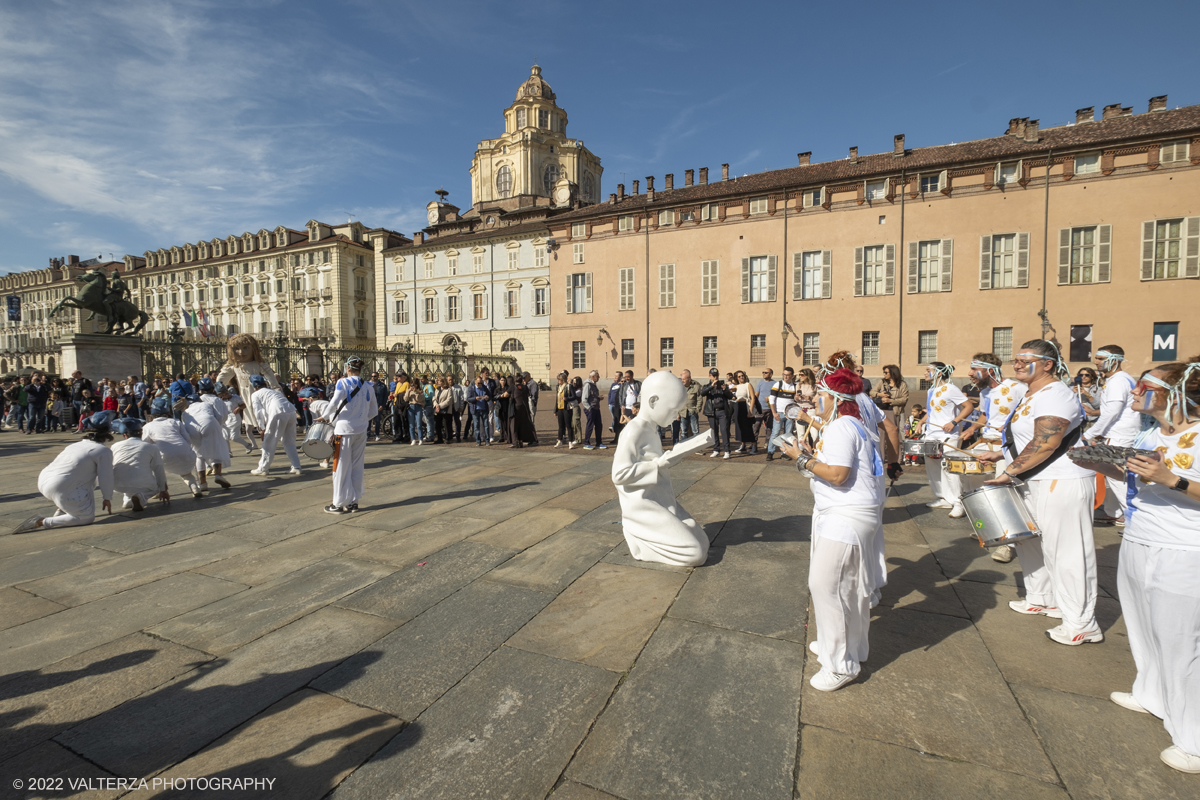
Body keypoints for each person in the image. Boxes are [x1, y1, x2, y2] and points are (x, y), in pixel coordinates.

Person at [1086, 357, 1200, 774]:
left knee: (1182, 641)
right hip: (1140, 536)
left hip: (1184, 549)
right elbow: (1139, 479)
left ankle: (1194, 738)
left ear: (1174, 395)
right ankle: (1151, 693)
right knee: (1144, 626)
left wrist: (1174, 480)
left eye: (1143, 386)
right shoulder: (1153, 432)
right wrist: (1099, 464)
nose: (1133, 391)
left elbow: (1170, 481)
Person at [978, 339, 1099, 646]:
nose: (1017, 364)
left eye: (1025, 359)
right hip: (1034, 479)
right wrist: (1001, 457)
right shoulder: (1032, 393)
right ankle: (1042, 597)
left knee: (1067, 552)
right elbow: (1025, 439)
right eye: (1015, 359)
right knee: (1030, 540)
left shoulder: (1056, 394)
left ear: (1048, 364)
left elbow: (1046, 442)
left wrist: (1009, 472)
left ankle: (1081, 623)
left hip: (1062, 480)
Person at [781, 368, 884, 692]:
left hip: (846, 515)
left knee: (825, 584)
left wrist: (801, 459)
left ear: (836, 400)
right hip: (849, 513)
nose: (813, 400)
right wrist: (811, 457)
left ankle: (840, 665)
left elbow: (838, 475)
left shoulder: (841, 426)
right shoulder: (851, 425)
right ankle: (844, 647)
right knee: (849, 586)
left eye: (819, 395)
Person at [960, 354, 1028, 563]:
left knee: (1003, 492)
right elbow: (985, 416)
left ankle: (1009, 544)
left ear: (990, 369)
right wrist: (972, 428)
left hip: (1006, 446)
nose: (970, 373)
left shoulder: (1016, 387)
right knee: (970, 482)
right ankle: (991, 527)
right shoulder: (985, 391)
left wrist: (1010, 425)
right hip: (986, 441)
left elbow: (1026, 412)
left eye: (974, 369)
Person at [14, 421, 115, 533]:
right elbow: (106, 476)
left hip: (44, 481)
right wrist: (107, 497)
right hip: (61, 487)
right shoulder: (103, 450)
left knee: (88, 478)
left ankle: (62, 509)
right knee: (86, 517)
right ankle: (42, 521)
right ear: (106, 434)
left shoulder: (73, 445)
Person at [1085, 345, 1142, 527]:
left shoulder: (1118, 381)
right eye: (1096, 357)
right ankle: (1113, 513)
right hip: (1117, 434)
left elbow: (1112, 412)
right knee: (1110, 475)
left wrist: (1090, 434)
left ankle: (1134, 519)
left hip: (1119, 435)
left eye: (1101, 358)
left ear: (1115, 360)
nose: (1096, 362)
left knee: (1118, 478)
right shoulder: (1119, 379)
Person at [317, 356, 378, 514]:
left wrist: (324, 416)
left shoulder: (342, 382)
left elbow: (334, 401)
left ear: (347, 368)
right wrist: (361, 419)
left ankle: (337, 504)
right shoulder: (368, 386)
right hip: (361, 430)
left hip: (344, 430)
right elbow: (374, 411)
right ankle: (353, 502)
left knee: (340, 466)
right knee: (357, 465)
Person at [922, 362, 973, 518]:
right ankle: (943, 497)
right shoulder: (931, 390)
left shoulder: (951, 389)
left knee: (950, 467)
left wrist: (954, 422)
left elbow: (968, 406)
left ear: (938, 373)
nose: (925, 373)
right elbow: (930, 411)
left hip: (948, 434)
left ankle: (958, 502)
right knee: (933, 466)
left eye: (928, 370)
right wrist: (921, 421)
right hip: (932, 432)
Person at [141, 397, 204, 498]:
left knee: (152, 466)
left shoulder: (147, 427)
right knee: (186, 473)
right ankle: (194, 487)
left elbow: (145, 445)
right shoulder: (176, 422)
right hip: (186, 454)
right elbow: (187, 439)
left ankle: (159, 489)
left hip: (165, 457)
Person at [110, 417, 169, 512]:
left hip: (117, 485)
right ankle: (142, 497)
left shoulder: (115, 446)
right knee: (156, 487)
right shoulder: (150, 447)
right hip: (141, 482)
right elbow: (159, 469)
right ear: (141, 434)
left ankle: (128, 500)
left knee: (128, 477)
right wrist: (163, 490)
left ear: (125, 435)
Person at [249, 375, 302, 476]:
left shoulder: (255, 394)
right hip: (290, 412)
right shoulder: (274, 391)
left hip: (277, 413)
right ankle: (296, 467)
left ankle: (263, 468)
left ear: (254, 386)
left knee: (269, 441)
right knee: (289, 441)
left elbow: (258, 411)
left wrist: (262, 428)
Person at [185, 379, 232, 490]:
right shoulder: (217, 400)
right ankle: (218, 475)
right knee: (216, 450)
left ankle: (202, 483)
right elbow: (222, 417)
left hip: (192, 427)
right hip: (210, 424)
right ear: (212, 388)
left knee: (198, 454)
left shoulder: (197, 400)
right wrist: (216, 425)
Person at [766, 367, 798, 462]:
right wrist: (774, 413)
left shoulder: (795, 386)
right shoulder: (778, 384)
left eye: (788, 375)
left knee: (788, 435)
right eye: (784, 374)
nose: (786, 377)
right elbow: (772, 399)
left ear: (792, 376)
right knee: (775, 433)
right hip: (779, 413)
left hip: (791, 415)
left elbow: (796, 401)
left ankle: (785, 453)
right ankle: (770, 452)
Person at [701, 369, 733, 460]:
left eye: (717, 375)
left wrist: (724, 390)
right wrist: (711, 386)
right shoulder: (707, 386)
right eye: (713, 375)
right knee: (714, 431)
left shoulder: (723, 385)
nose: (715, 377)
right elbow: (702, 393)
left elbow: (730, 396)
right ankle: (716, 450)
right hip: (712, 412)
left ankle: (727, 451)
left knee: (724, 431)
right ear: (710, 376)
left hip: (722, 411)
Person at [731, 370, 757, 455]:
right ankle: (743, 445)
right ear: (736, 378)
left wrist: (750, 410)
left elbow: (753, 398)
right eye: (739, 376)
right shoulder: (737, 386)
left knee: (748, 427)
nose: (741, 377)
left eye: (742, 375)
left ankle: (754, 445)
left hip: (746, 407)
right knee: (740, 427)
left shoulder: (748, 385)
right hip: (738, 406)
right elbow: (729, 390)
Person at [508, 373, 537, 447]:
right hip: (524, 407)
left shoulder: (513, 387)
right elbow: (528, 394)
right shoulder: (525, 387)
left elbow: (506, 394)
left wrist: (498, 396)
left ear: (515, 380)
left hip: (516, 407)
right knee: (522, 425)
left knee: (513, 425)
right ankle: (521, 441)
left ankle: (515, 442)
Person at [581, 370, 605, 450]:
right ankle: (586, 443)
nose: (599, 378)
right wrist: (589, 408)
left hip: (596, 407)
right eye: (597, 376)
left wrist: (598, 398)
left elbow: (592, 396)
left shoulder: (593, 384)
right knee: (590, 425)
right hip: (591, 408)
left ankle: (599, 442)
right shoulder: (587, 384)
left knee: (599, 425)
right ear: (593, 377)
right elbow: (584, 398)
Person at [467, 374, 491, 446]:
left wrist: (487, 398)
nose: (480, 384)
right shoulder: (471, 388)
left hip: (484, 409)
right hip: (475, 409)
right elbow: (468, 398)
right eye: (478, 383)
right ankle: (478, 441)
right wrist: (475, 398)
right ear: (475, 382)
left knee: (486, 425)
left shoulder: (484, 387)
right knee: (476, 426)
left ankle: (487, 440)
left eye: (481, 382)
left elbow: (489, 395)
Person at [389, 372, 410, 443]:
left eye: (399, 377)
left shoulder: (406, 384)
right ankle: (398, 435)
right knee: (396, 420)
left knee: (404, 420)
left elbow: (407, 394)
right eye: (397, 377)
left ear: (404, 377)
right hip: (396, 404)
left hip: (402, 405)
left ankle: (406, 436)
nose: (398, 378)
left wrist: (398, 395)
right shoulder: (398, 384)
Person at [404, 379, 426, 445]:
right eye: (412, 384)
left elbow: (420, 399)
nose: (413, 386)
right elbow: (405, 399)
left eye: (415, 384)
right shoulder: (409, 390)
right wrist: (409, 391)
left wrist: (416, 392)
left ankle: (420, 439)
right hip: (411, 407)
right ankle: (413, 439)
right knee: (411, 425)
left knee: (419, 424)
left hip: (418, 407)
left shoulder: (420, 391)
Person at [433, 376, 454, 444]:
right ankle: (439, 438)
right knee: (438, 424)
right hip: (438, 409)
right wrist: (436, 405)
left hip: (446, 410)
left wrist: (440, 406)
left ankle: (447, 438)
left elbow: (449, 400)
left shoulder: (448, 390)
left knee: (446, 424)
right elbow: (434, 398)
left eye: (439, 381)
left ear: (443, 382)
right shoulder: (437, 389)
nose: (438, 382)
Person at [554, 372, 572, 448]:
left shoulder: (568, 386)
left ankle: (570, 442)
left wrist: (566, 398)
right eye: (558, 379)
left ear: (563, 379)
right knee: (561, 426)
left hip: (567, 408)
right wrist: (555, 410)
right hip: (560, 408)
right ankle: (560, 441)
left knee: (568, 425)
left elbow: (573, 396)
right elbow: (556, 399)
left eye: (559, 379)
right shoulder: (559, 387)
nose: (558, 381)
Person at [608, 371, 625, 442]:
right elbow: (609, 394)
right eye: (615, 376)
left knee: (621, 422)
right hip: (612, 405)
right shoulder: (613, 384)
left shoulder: (624, 386)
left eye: (617, 376)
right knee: (615, 419)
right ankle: (616, 437)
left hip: (621, 406)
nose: (615, 377)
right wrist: (609, 402)